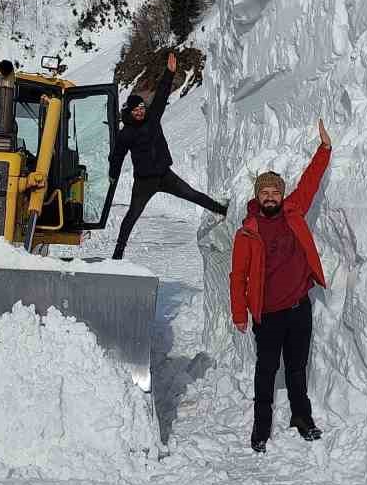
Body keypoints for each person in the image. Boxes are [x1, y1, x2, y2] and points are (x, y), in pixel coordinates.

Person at [229, 119, 332, 453]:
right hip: (268, 314)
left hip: (298, 307)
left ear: (281, 194)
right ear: (257, 197)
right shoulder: (247, 231)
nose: (270, 196)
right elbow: (237, 276)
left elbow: (310, 183)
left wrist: (325, 150)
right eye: (265, 192)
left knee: (297, 368)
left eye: (275, 191)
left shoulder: (294, 210)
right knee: (266, 370)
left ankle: (302, 418)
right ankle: (260, 428)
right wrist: (240, 314)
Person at [108, 52, 228, 259]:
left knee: (191, 194)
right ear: (129, 112)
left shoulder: (153, 117)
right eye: (136, 110)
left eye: (141, 108)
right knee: (132, 216)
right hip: (144, 182)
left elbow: (162, 94)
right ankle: (118, 253)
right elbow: (117, 156)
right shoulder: (125, 133)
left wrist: (170, 73)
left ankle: (221, 210)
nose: (140, 111)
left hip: (165, 175)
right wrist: (112, 174)